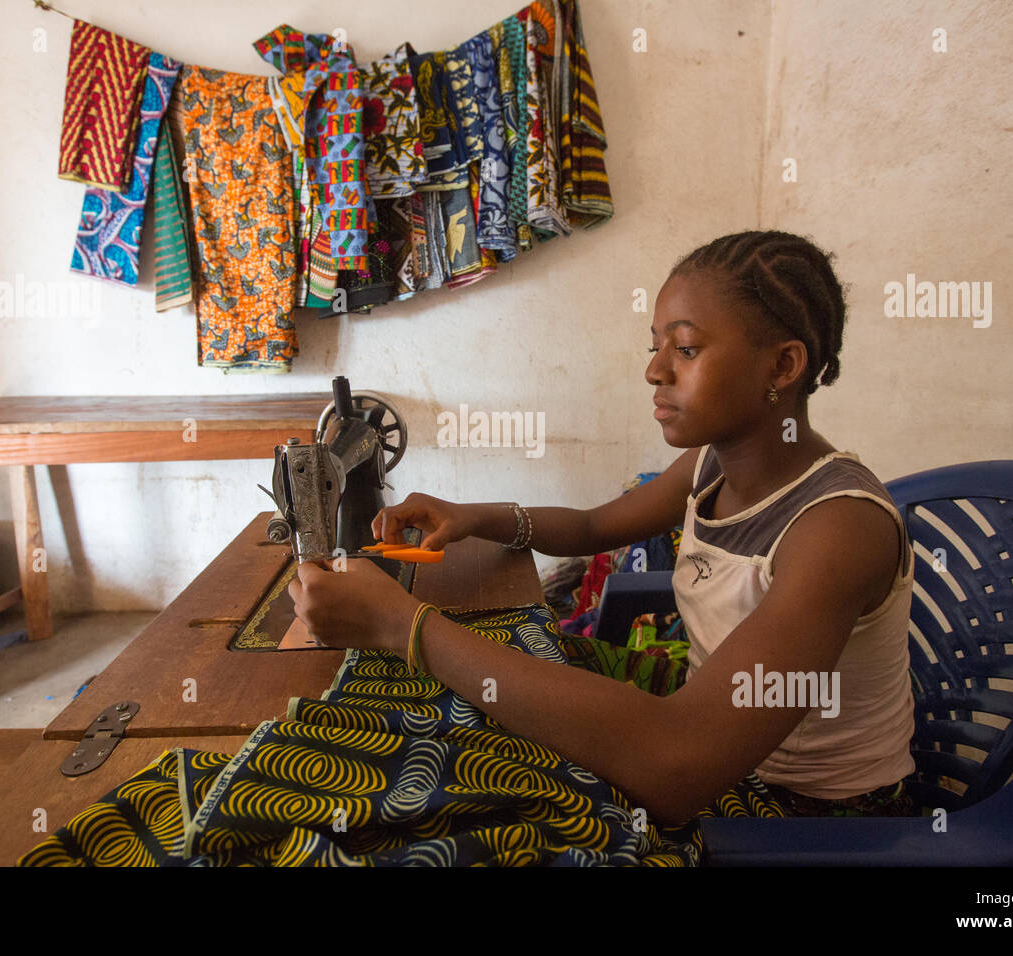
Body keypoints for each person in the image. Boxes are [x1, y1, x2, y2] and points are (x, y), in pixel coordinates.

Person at [288, 230, 917, 825]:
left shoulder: (837, 529)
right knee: (449, 690)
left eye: (687, 349)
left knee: (452, 796)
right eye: (657, 346)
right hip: (701, 719)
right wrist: (472, 517)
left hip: (796, 809)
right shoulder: (709, 467)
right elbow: (591, 527)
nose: (655, 370)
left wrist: (402, 624)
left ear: (782, 367)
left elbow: (680, 767)